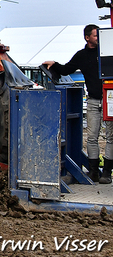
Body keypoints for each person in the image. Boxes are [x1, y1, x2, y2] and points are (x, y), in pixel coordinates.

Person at [43, 24, 108, 183]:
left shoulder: (107, 53)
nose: (98, 39)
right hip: (93, 101)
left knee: (110, 137)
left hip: (109, 99)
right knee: (92, 137)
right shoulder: (82, 55)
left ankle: (106, 173)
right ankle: (93, 171)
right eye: (95, 36)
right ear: (87, 38)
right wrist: (54, 64)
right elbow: (66, 69)